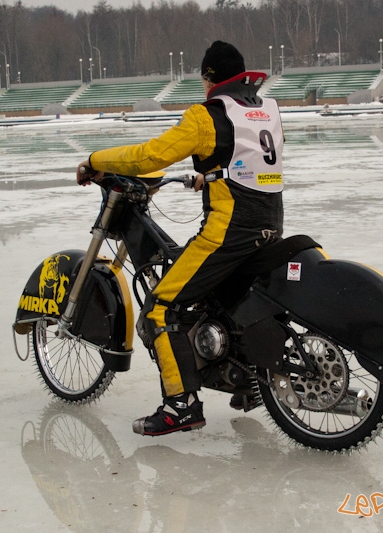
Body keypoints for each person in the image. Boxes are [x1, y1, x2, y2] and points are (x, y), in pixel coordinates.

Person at [76, 41, 285, 436]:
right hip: (270, 226)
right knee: (230, 303)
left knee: (160, 307)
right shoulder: (266, 110)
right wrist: (210, 175)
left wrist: (94, 160)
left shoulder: (207, 116)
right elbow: (250, 161)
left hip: (227, 233)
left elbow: (149, 157)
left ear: (209, 78)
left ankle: (181, 405)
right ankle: (249, 380)